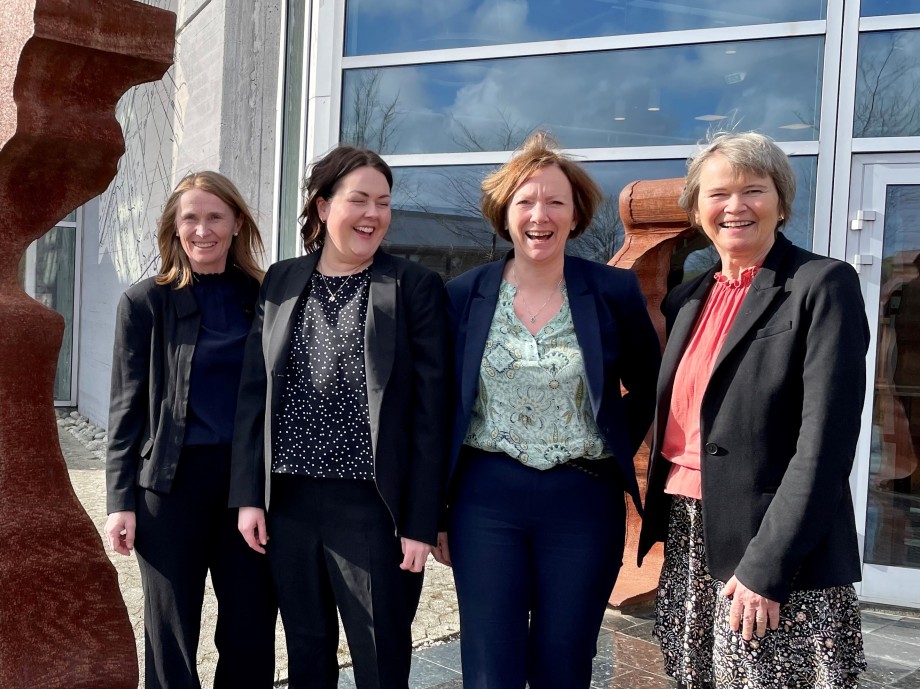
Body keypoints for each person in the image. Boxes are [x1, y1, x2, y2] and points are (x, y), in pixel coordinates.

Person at [637, 131, 869, 689]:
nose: (735, 207)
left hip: (775, 542)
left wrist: (768, 566)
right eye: (717, 194)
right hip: (692, 531)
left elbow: (824, 447)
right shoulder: (686, 298)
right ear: (696, 209)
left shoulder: (821, 285)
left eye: (754, 190)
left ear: (781, 202)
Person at [435, 131, 661, 689]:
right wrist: (436, 511)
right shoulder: (463, 295)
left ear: (577, 212)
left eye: (556, 201)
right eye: (526, 201)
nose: (541, 215)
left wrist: (613, 443)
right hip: (485, 499)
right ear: (505, 212)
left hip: (582, 500)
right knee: (491, 665)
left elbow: (654, 384)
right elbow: (439, 406)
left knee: (565, 661)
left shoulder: (611, 291)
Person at [229, 145, 450, 689]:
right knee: (306, 648)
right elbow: (253, 397)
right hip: (291, 502)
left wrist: (421, 522)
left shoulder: (412, 287)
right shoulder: (280, 282)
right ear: (324, 208)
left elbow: (432, 415)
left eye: (384, 202)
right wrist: (249, 496)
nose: (373, 214)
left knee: (381, 652)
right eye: (359, 200)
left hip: (373, 508)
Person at [104, 171, 277, 689]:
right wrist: (119, 502)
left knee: (250, 627)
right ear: (174, 229)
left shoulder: (267, 298)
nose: (203, 230)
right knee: (171, 630)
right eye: (191, 218)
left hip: (248, 486)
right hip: (168, 488)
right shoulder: (144, 303)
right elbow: (125, 409)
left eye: (215, 217)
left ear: (237, 222)